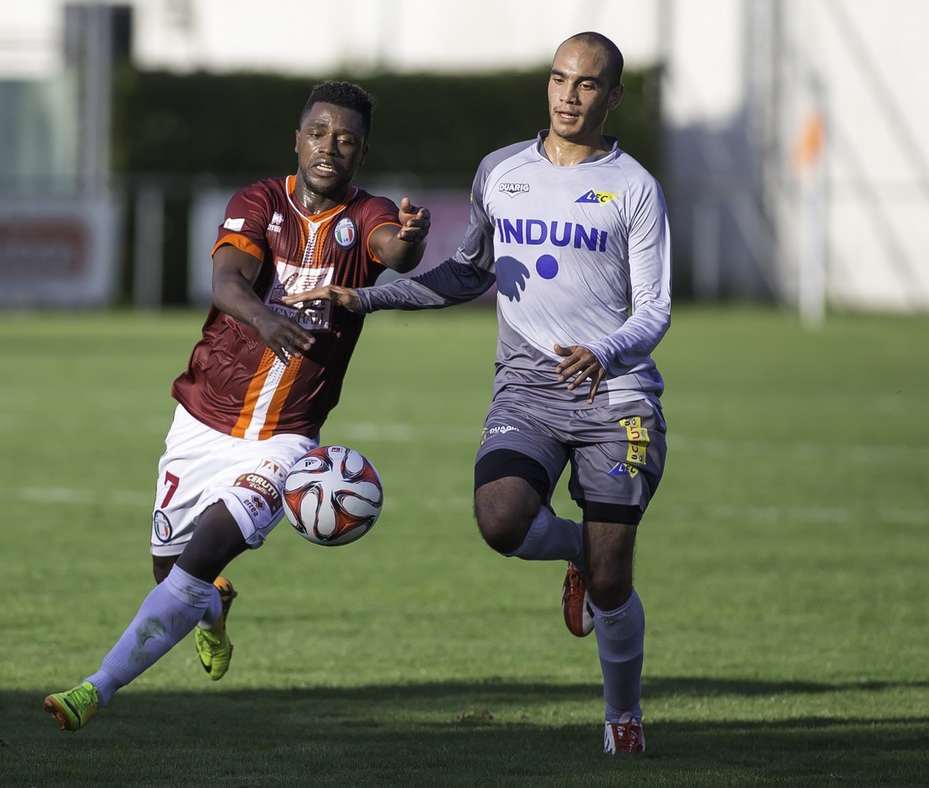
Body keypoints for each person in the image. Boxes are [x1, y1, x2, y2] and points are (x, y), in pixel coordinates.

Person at [282, 33, 670, 755]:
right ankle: (578, 554)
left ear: (612, 96)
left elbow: (654, 310)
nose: (567, 96)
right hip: (526, 385)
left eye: (587, 86)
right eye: (558, 80)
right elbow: (467, 273)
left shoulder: (635, 189)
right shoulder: (501, 171)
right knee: (500, 520)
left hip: (616, 396)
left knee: (615, 582)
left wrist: (606, 349)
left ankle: (624, 714)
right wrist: (368, 297)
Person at [44, 80, 429, 731]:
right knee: (168, 573)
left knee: (198, 560)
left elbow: (394, 249)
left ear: (361, 152)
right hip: (201, 422)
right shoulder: (258, 202)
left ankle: (94, 689)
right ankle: (214, 611)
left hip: (285, 442)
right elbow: (227, 281)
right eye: (318, 133)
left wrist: (411, 241)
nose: (329, 148)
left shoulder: (367, 215)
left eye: (345, 139)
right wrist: (265, 319)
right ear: (297, 139)